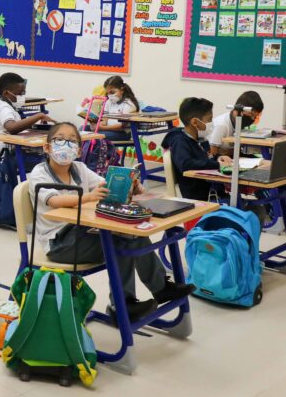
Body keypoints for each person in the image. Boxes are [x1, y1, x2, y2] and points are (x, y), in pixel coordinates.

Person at [28, 122, 195, 321]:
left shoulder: (79, 168)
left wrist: (129, 184)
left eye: (72, 141)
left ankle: (160, 288)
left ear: (78, 151)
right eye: (59, 140)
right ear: (47, 147)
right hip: (58, 243)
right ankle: (122, 304)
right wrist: (88, 197)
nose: (66, 145)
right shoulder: (39, 173)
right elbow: (54, 201)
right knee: (119, 241)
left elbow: (105, 184)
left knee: (133, 233)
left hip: (82, 232)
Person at [161, 97, 233, 201]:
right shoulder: (180, 141)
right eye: (209, 120)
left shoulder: (200, 138)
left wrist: (219, 158)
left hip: (213, 189)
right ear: (195, 122)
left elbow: (208, 156)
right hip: (201, 196)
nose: (211, 123)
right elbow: (186, 164)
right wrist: (218, 165)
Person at [0, 72, 53, 161]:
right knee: (45, 161)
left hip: (13, 152)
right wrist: (38, 116)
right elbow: (12, 128)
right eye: (19, 93)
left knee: (46, 156)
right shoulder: (3, 108)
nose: (22, 96)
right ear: (6, 93)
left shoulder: (10, 106)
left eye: (23, 93)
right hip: (3, 157)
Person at [208, 90, 264, 157]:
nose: (252, 119)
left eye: (255, 116)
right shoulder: (221, 125)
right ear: (239, 110)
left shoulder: (240, 123)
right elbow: (212, 153)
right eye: (251, 114)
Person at [96, 75, 140, 141]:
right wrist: (96, 124)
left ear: (122, 90)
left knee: (95, 136)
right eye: (108, 93)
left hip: (123, 133)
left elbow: (122, 126)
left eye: (112, 92)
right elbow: (105, 121)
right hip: (108, 130)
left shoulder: (129, 104)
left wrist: (102, 128)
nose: (110, 96)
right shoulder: (109, 102)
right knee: (83, 129)